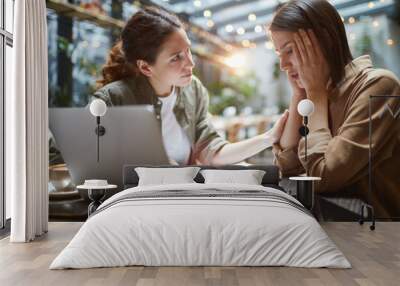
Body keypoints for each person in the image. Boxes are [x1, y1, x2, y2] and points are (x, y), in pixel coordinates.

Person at [93, 7, 288, 166]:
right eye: (176, 57)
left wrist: (268, 138)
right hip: (130, 204)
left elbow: (211, 151)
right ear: (145, 67)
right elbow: (73, 158)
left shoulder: (193, 90)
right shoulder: (113, 99)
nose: (190, 63)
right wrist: (153, 164)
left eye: (188, 51)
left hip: (181, 198)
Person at [268, 0, 400, 217]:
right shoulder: (320, 93)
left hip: (379, 240)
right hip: (332, 231)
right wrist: (299, 94)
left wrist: (315, 93)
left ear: (325, 41)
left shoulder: (379, 87)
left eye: (290, 50)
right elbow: (288, 169)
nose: (282, 64)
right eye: (278, 53)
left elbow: (322, 177)